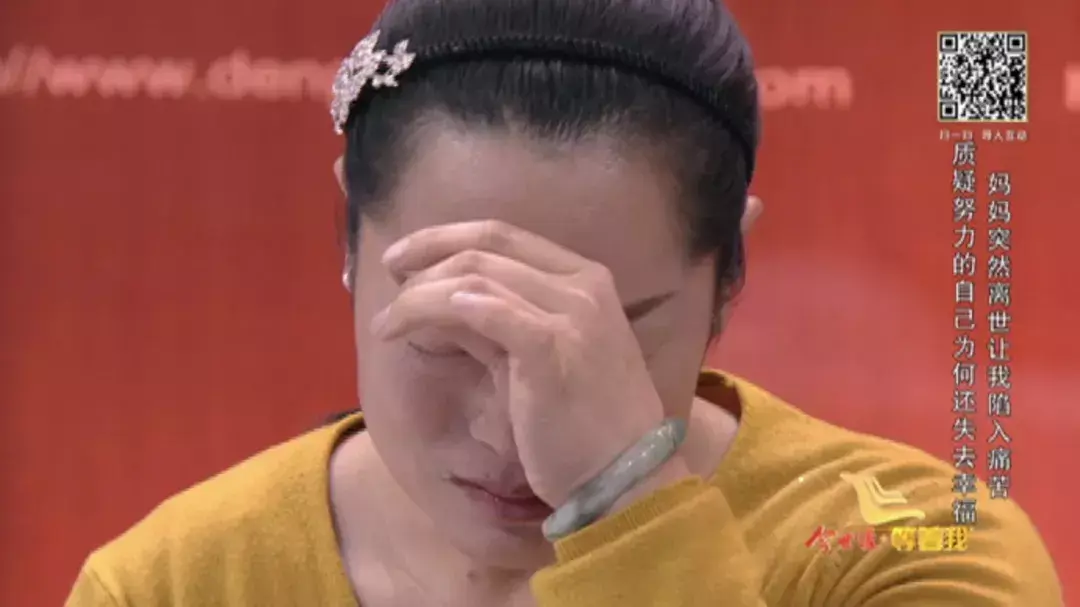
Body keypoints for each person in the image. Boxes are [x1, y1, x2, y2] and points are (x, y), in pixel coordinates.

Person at [66, 0, 1063, 605]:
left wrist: (623, 503)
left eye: (603, 338)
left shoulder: (914, 552)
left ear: (730, 277)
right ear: (347, 242)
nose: (517, 435)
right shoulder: (177, 582)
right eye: (453, 329)